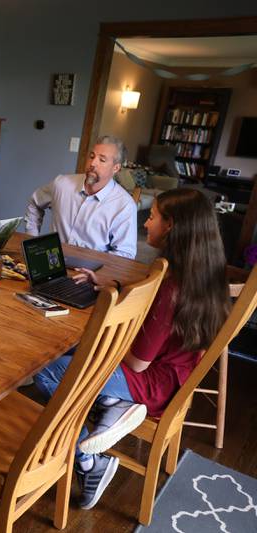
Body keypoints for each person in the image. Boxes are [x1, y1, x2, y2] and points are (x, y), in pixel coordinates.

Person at [33, 187, 230, 511]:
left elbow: (138, 361)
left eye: (152, 217)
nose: (145, 224)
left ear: (171, 227)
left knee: (47, 372)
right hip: (173, 372)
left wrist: (110, 332)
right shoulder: (198, 271)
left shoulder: (172, 287)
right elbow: (153, 314)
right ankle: (109, 403)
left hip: (150, 382)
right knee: (73, 358)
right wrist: (110, 288)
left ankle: (87, 460)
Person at [24, 135, 137, 259]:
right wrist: (32, 240)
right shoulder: (62, 184)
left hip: (92, 273)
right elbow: (35, 203)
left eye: (102, 160)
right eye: (92, 156)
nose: (93, 163)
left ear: (116, 168)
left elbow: (125, 254)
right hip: (53, 262)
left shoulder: (125, 205)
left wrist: (95, 272)